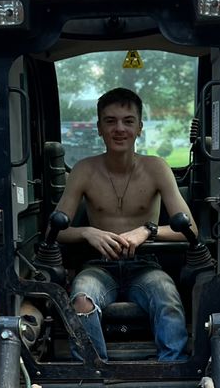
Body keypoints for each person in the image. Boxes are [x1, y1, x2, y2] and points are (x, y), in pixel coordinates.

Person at [56, 88, 195, 361]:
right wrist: (87, 231)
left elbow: (190, 230)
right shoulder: (84, 170)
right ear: (99, 128)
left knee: (167, 295)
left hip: (146, 265)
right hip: (99, 266)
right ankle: (94, 375)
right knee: (81, 299)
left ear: (140, 127)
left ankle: (172, 369)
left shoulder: (157, 168)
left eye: (128, 121)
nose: (119, 128)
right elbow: (58, 231)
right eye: (110, 121)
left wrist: (148, 230)